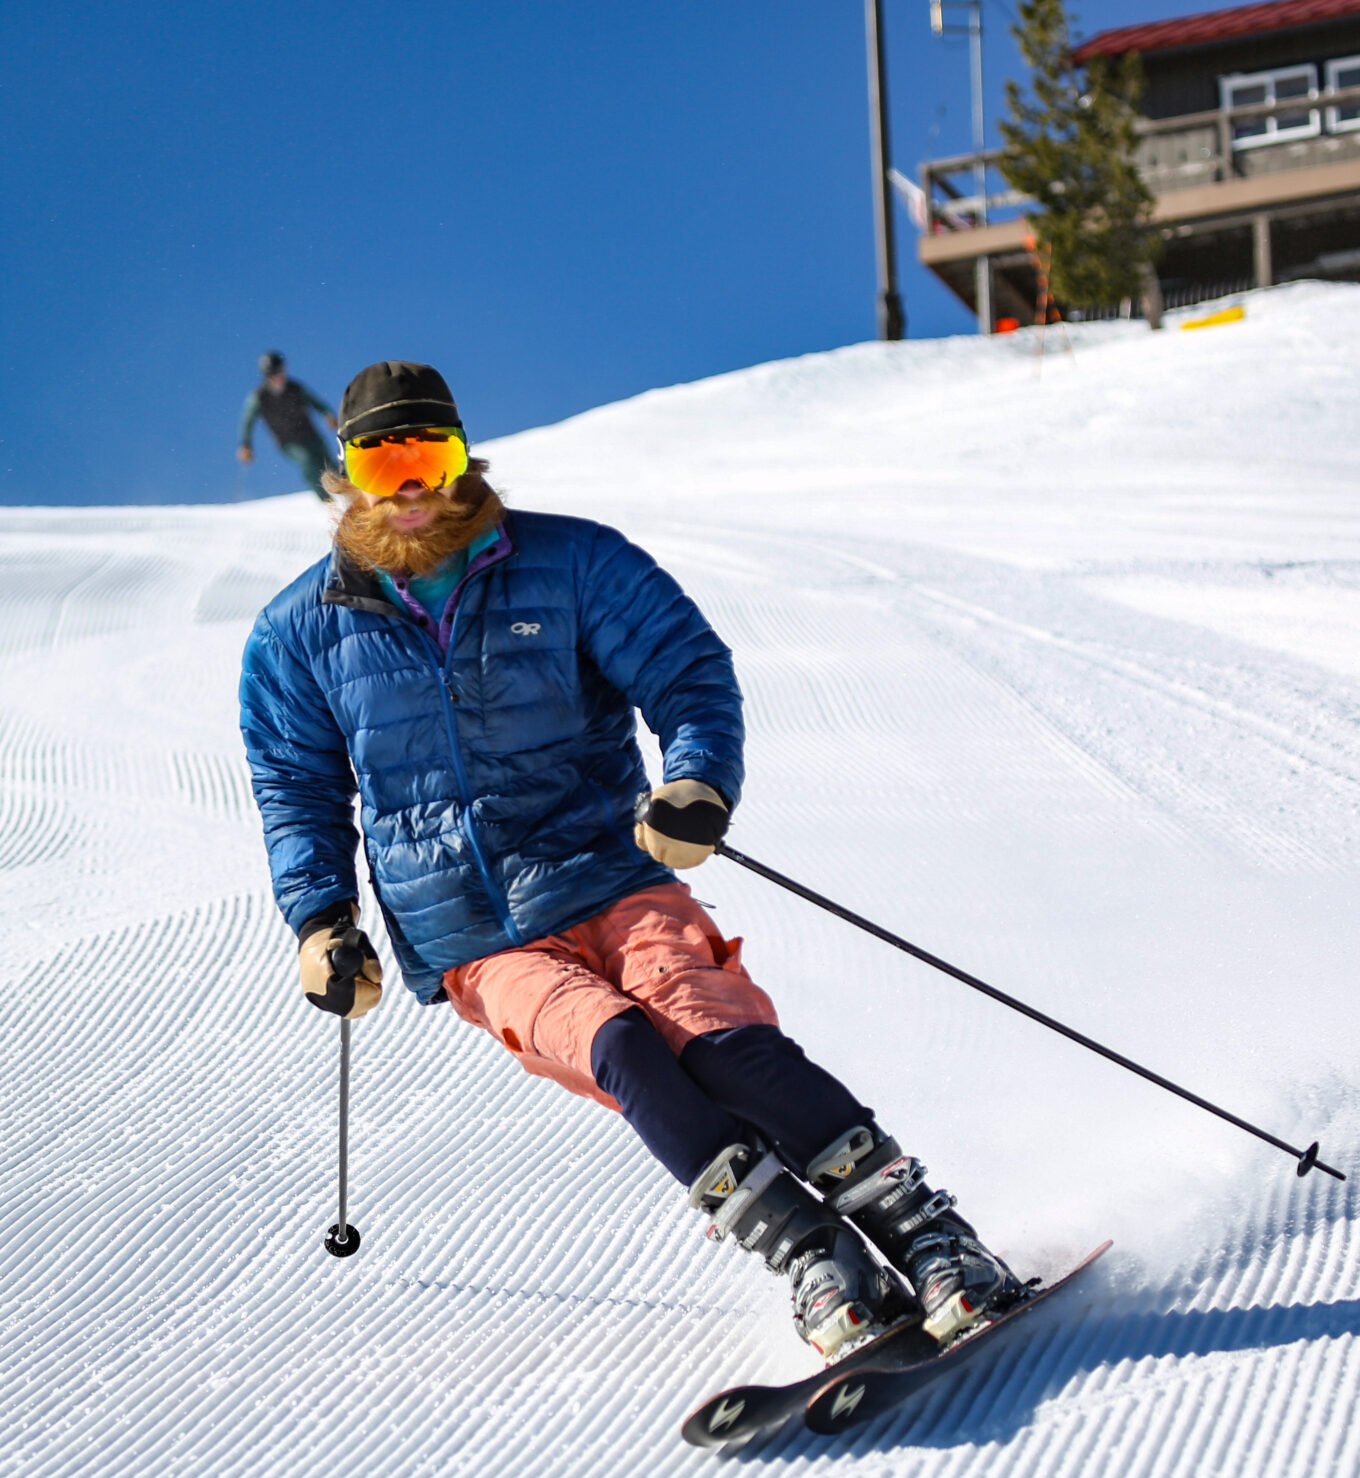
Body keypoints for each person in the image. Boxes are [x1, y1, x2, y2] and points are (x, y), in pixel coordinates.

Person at [239, 360, 1019, 1359]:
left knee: (712, 1040)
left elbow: (685, 672)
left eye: (425, 452)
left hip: (610, 872)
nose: (408, 485)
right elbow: (296, 786)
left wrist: (695, 782)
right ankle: (813, 1253)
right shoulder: (297, 633)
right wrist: (320, 921)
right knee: (622, 1049)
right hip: (475, 933)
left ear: (461, 450)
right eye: (380, 459)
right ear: (347, 472)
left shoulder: (570, 564)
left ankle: (930, 1234)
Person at [239, 352, 339, 500]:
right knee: (308, 462)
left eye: (280, 371)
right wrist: (246, 444)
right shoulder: (259, 397)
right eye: (274, 373)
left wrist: (327, 414)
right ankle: (326, 501)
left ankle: (351, 492)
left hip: (310, 434)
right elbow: (247, 421)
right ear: (266, 375)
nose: (279, 376)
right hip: (288, 442)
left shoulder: (295, 388)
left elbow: (315, 401)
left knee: (329, 463)